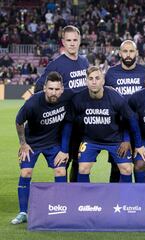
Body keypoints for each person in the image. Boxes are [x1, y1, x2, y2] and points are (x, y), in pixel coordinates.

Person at [11, 72, 73, 224]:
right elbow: (19, 122)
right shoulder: (32, 103)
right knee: (26, 172)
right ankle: (23, 212)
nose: (53, 93)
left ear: (62, 89)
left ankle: (62, 208)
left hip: (53, 143)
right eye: (50, 89)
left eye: (57, 89)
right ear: (44, 88)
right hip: (32, 144)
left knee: (61, 169)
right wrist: (23, 144)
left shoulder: (67, 97)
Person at [68, 66, 145, 183]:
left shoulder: (115, 97)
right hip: (90, 140)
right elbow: (69, 123)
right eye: (90, 78)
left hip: (115, 140)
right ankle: (83, 198)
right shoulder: (78, 99)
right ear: (86, 81)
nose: (94, 81)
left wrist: (131, 141)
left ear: (103, 81)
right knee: (83, 168)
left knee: (126, 169)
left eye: (97, 78)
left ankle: (126, 198)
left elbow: (131, 119)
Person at [34, 25, 89, 183]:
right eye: (69, 40)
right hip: (64, 122)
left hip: (83, 121)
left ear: (79, 41)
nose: (72, 43)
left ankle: (76, 193)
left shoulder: (84, 62)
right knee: (64, 161)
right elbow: (39, 88)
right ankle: (63, 197)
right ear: (63, 42)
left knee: (80, 161)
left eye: (75, 40)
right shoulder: (56, 65)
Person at [105, 40, 145, 183]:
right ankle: (114, 202)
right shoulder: (111, 73)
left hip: (141, 128)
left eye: (131, 51)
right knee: (117, 168)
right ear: (120, 53)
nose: (128, 55)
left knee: (141, 165)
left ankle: (144, 202)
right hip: (117, 130)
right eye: (125, 51)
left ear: (136, 53)